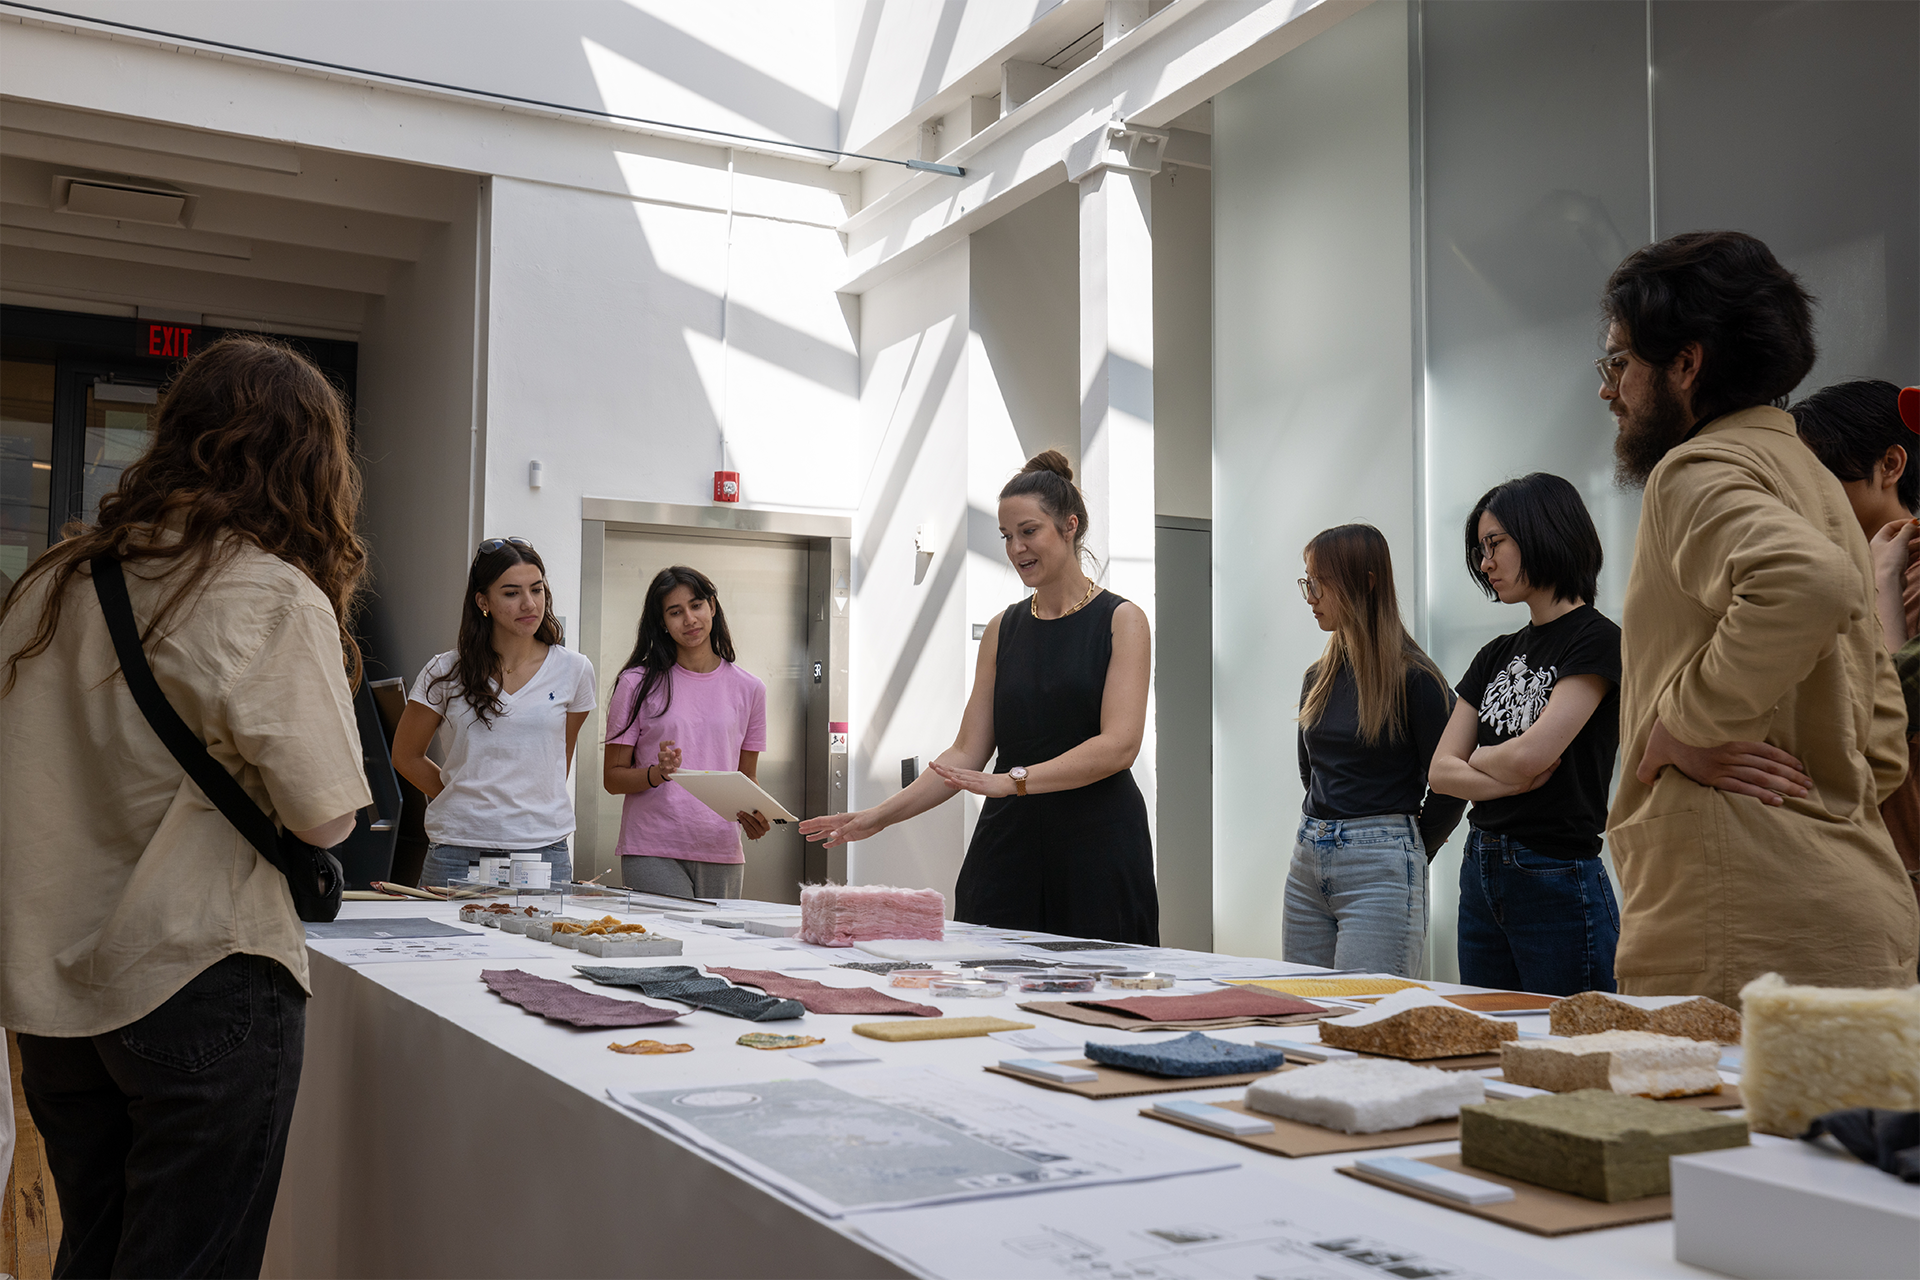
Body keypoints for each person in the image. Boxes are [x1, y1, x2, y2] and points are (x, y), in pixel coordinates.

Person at [0, 335, 371, 1278]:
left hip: (53, 986)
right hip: (199, 968)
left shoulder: (51, 582)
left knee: (93, 1248)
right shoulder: (267, 593)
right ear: (309, 463)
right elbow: (326, 819)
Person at [1600, 229, 1918, 1005]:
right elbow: (1881, 747)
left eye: (1619, 363)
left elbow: (1804, 582)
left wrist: (1682, 723)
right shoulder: (1815, 482)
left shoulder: (1695, 468)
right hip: (1852, 916)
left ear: (1686, 364)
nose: (1610, 391)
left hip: (1740, 927)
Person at [800, 450, 1158, 944]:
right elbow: (966, 752)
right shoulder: (1002, 628)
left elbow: (1119, 746)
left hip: (1097, 842)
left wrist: (1015, 781)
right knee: (991, 974)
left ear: (1069, 526)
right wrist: (879, 816)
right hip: (1009, 842)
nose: (1016, 548)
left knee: (1098, 984)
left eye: (1028, 531)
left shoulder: (1122, 620)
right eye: (1007, 536)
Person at [1428, 474, 1623, 995]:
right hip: (1481, 863)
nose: (1485, 563)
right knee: (1491, 1032)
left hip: (1553, 869)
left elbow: (1532, 757)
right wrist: (1508, 772)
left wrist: (1482, 761)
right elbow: (1440, 772)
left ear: (1543, 532)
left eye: (1495, 544)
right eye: (1481, 550)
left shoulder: (1598, 640)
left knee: (1573, 1037)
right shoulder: (1495, 652)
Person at [1285, 525, 1462, 977]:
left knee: (1366, 1009)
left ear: (1364, 583)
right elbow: (1312, 771)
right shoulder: (1317, 678)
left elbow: (1451, 783)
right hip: (1307, 859)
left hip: (1380, 868)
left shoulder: (1416, 679)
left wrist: (1407, 846)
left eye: (1319, 583)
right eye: (1307, 582)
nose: (1310, 596)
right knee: (1305, 1005)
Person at [393, 539, 596, 888]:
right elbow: (405, 756)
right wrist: (460, 795)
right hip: (457, 848)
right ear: (483, 602)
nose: (529, 603)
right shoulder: (445, 671)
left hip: (542, 849)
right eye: (511, 593)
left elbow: (558, 758)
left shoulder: (574, 669)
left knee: (541, 929)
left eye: (537, 589)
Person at [1792, 379, 1920, 922]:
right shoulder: (1834, 578)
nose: (1800, 497)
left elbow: (1890, 711)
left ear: (1890, 465)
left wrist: (1883, 583)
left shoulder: (1907, 572)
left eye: (1818, 475)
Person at [603, 565, 771, 899]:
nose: (689, 619)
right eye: (675, 612)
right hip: (652, 847)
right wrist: (657, 774)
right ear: (662, 622)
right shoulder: (635, 683)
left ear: (712, 606)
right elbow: (612, 778)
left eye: (696, 606)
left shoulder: (750, 689)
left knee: (717, 936)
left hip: (721, 848)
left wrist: (756, 815)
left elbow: (746, 777)